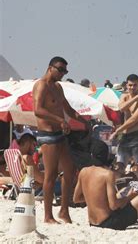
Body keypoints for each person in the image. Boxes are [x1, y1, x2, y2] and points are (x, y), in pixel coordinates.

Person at [33, 56, 89, 224]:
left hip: (60, 133)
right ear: (50, 68)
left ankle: (64, 211)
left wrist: (83, 121)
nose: (63, 74)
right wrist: (60, 120)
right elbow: (37, 110)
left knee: (70, 170)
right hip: (48, 134)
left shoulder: (57, 87)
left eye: (66, 71)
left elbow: (67, 108)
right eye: (61, 70)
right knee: (51, 175)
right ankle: (48, 216)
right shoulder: (41, 85)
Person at [111, 74, 138, 177]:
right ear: (126, 85)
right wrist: (135, 98)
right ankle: (116, 188)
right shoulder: (125, 96)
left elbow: (134, 119)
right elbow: (121, 108)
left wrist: (118, 131)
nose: (132, 87)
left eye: (135, 85)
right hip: (125, 136)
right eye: (130, 85)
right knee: (119, 165)